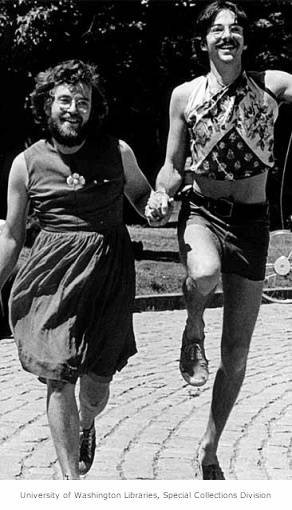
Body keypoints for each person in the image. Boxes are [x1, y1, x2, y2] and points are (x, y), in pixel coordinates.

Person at [146, 0, 292, 479]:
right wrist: (160, 193)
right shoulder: (184, 95)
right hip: (203, 213)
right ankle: (192, 328)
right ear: (204, 39)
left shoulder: (272, 85)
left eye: (235, 29)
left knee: (237, 355)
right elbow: (171, 164)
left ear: (245, 40)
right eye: (217, 29)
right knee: (204, 272)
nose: (226, 36)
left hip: (252, 224)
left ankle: (210, 447)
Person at [0, 59, 160, 480]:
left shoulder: (116, 152)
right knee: (59, 377)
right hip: (52, 279)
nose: (73, 109)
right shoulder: (26, 164)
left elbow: (143, 198)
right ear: (47, 105)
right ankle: (72, 485)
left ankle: (87, 423)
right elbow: (13, 236)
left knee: (95, 385)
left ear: (93, 110)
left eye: (83, 102)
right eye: (65, 100)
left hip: (109, 277)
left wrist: (156, 208)